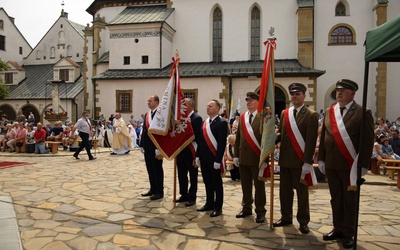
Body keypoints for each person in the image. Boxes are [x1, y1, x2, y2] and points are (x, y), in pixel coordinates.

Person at [318, 79, 374, 249]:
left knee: (349, 200)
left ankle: (349, 233)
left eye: (343, 90)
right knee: (335, 199)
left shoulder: (362, 112)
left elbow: (367, 140)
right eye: (337, 90)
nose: (339, 93)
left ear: (353, 94)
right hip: (332, 164)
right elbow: (324, 137)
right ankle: (338, 228)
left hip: (351, 166)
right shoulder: (329, 111)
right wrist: (321, 158)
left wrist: (364, 165)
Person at [273, 83, 319, 235]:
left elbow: (311, 140)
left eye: (297, 94)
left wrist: (308, 162)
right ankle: (286, 217)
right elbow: (282, 134)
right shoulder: (285, 113)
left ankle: (303, 221)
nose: (294, 96)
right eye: (292, 94)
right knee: (284, 192)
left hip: (300, 162)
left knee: (302, 194)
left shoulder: (311, 115)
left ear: (304, 96)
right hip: (285, 161)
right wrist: (271, 139)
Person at [233, 92, 266, 223]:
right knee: (245, 186)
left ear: (258, 102)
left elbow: (267, 139)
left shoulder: (264, 116)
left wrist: (265, 158)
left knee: (259, 187)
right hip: (244, 158)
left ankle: (260, 211)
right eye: (247, 100)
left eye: (251, 100)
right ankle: (246, 208)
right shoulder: (242, 117)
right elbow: (238, 138)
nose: (248, 102)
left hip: (257, 158)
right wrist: (236, 155)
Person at [196, 99, 228, 217]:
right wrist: (198, 155)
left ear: (217, 108)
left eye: (210, 106)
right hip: (204, 159)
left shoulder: (222, 122)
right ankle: (209, 203)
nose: (207, 107)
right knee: (207, 182)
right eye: (207, 106)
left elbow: (221, 143)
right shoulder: (205, 123)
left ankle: (218, 207)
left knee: (216, 184)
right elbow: (200, 141)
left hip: (214, 159)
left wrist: (218, 160)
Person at [176, 98, 203, 207]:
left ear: (190, 106)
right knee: (181, 174)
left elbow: (196, 135)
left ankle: (192, 197)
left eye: (185, 105)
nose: (182, 107)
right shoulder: (181, 118)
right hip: (181, 151)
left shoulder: (196, 118)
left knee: (192, 176)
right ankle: (184, 194)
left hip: (191, 151)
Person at [140, 95, 164, 200]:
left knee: (157, 169)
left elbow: (161, 132)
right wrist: (142, 144)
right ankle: (153, 188)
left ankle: (159, 191)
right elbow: (144, 131)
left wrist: (159, 148)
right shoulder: (147, 114)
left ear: (156, 102)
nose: (148, 102)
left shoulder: (160, 114)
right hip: (147, 147)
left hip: (156, 147)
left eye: (150, 101)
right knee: (150, 168)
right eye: (148, 101)